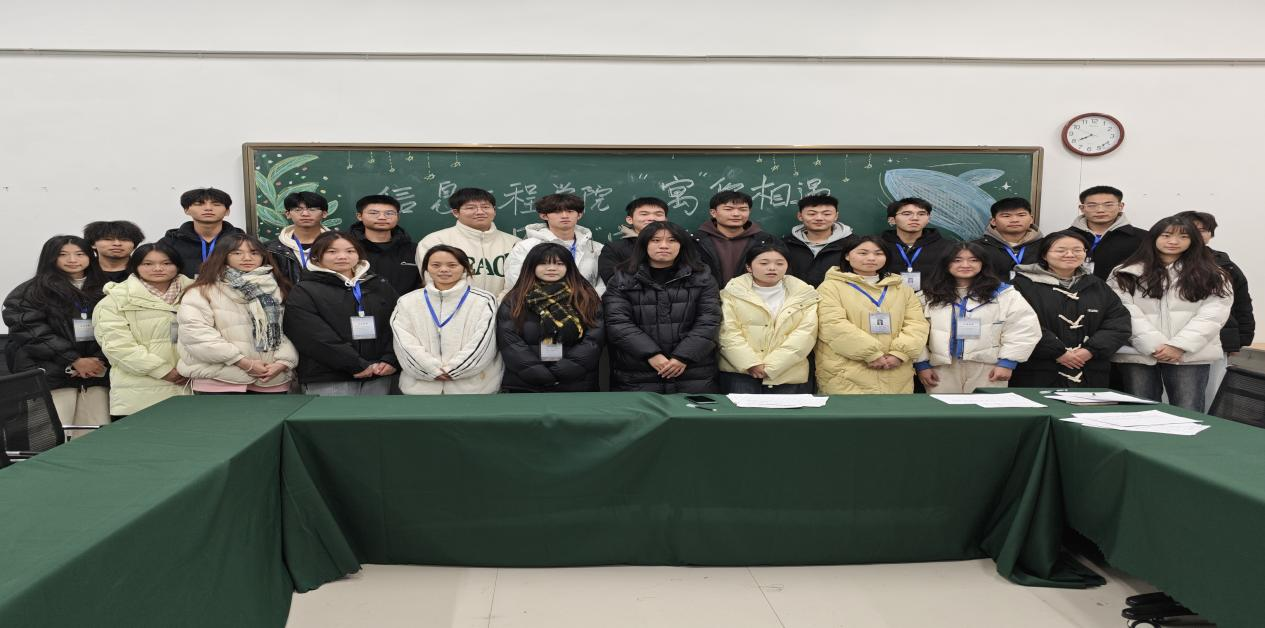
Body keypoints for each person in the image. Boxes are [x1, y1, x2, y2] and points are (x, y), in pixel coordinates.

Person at [1108, 217, 1232, 411]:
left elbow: (1213, 315)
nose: (1173, 241)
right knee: (1140, 410)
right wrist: (1153, 345)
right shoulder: (1125, 272)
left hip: (1189, 354)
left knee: (1187, 410)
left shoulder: (1212, 274)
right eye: (1166, 235)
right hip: (1138, 352)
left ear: (1193, 240)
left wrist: (1178, 346)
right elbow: (1123, 310)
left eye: (1183, 236)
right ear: (1153, 238)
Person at [2, 236, 110, 431]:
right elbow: (31, 331)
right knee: (53, 434)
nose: (72, 259)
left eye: (79, 254)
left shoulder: (107, 288)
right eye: (63, 254)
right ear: (50, 257)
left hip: (96, 375)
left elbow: (116, 328)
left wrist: (98, 360)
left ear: (90, 256)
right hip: (52, 376)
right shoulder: (31, 291)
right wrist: (74, 359)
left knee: (94, 433)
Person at [603, 221, 722, 393]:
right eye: (655, 240)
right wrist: (651, 354)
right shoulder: (622, 279)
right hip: (636, 371)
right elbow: (618, 322)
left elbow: (709, 321)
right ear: (644, 245)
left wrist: (683, 357)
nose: (664, 245)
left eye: (672, 240)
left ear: (682, 245)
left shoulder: (702, 278)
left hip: (693, 372)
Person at [176, 233, 298, 394]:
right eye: (237, 253)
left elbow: (289, 331)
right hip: (220, 381)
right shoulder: (201, 291)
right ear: (223, 256)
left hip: (271, 379)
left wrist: (283, 362)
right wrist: (243, 363)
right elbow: (195, 334)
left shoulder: (277, 288)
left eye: (254, 252)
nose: (247, 258)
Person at [913, 242, 1041, 394]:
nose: (965, 265)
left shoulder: (1004, 294)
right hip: (940, 368)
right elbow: (915, 332)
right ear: (946, 263)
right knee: (943, 408)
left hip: (989, 367)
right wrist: (921, 365)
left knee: (985, 408)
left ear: (983, 263)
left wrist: (1007, 363)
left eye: (973, 260)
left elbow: (1023, 328)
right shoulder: (928, 296)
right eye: (957, 260)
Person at [1009, 231, 1131, 388]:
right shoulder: (1021, 285)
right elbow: (1018, 323)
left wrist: (1091, 350)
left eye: (1077, 250)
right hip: (1037, 371)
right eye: (1061, 250)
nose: (1070, 254)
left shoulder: (1097, 285)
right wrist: (1057, 352)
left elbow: (1118, 323)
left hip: (1089, 371)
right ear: (1044, 255)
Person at [283, 232, 399, 396]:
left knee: (376, 414)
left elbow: (399, 325)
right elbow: (312, 336)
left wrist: (390, 359)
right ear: (316, 256)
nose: (342, 256)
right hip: (328, 378)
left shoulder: (379, 285)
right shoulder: (305, 290)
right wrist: (355, 364)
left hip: (379, 373)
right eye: (332, 251)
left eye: (350, 251)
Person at [815, 235, 929, 394]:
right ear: (847, 255)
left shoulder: (902, 288)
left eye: (878, 253)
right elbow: (832, 325)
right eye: (863, 253)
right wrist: (871, 354)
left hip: (896, 372)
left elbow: (917, 325)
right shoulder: (830, 287)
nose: (871, 258)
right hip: (846, 374)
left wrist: (899, 353)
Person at [92, 243, 193, 416]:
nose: (158, 268)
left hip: (195, 387)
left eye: (166, 263)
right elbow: (117, 347)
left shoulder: (199, 293)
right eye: (148, 264)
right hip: (140, 394)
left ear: (178, 265)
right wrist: (163, 371)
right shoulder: (114, 301)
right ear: (135, 266)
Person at [391, 245, 502, 394]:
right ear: (426, 268)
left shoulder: (484, 301)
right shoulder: (407, 301)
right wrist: (431, 370)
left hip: (474, 390)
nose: (443, 269)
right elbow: (404, 342)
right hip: (421, 391)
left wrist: (454, 370)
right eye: (436, 265)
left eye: (452, 265)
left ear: (464, 267)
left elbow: (484, 342)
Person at [497, 243, 606, 392]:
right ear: (531, 266)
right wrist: (538, 374)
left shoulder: (585, 297)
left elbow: (593, 340)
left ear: (569, 266)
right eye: (543, 263)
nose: (552, 268)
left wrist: (563, 371)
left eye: (559, 264)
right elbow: (510, 343)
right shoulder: (515, 299)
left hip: (576, 383)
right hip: (526, 385)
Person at [1174, 210, 1255, 408]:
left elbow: (1242, 304)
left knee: (1210, 394)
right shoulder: (1162, 262)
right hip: (1171, 340)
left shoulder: (1225, 265)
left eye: (1204, 230)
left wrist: (1240, 340)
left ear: (1211, 235)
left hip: (1217, 341)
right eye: (1191, 229)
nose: (1198, 234)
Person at [718, 243, 820, 393]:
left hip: (787, 372)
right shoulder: (731, 293)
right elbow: (727, 332)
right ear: (749, 267)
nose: (772, 268)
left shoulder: (804, 295)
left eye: (779, 263)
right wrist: (750, 363)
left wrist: (773, 367)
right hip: (741, 373)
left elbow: (806, 334)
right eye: (764, 263)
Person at [418, 187, 520, 295]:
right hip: (455, 305)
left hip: (505, 305)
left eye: (485, 207)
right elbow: (433, 284)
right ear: (456, 212)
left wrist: (499, 303)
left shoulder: (515, 243)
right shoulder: (435, 241)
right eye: (471, 208)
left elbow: (521, 283)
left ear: (494, 211)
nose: (480, 212)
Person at [504, 193, 604, 294]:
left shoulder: (596, 248)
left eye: (570, 211)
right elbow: (516, 281)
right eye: (557, 212)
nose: (565, 216)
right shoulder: (525, 247)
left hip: (588, 302)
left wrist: (589, 300)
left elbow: (603, 283)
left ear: (579, 215)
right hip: (539, 302)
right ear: (544, 216)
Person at [693, 190, 777, 287]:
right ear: (713, 212)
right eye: (728, 209)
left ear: (749, 212)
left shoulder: (766, 241)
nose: (736, 214)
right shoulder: (695, 241)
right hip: (707, 295)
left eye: (743, 209)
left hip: (750, 295)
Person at [159, 187, 246, 278]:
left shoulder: (242, 242)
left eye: (216, 204)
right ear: (186, 210)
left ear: (227, 211)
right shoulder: (169, 243)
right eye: (199, 204)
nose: (208, 208)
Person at [1067, 185, 1147, 280]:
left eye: (1108, 205)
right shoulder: (1064, 237)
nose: (1100, 210)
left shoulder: (1144, 238)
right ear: (1082, 208)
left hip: (1121, 289)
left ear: (1120, 206)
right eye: (1092, 205)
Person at [349, 194, 421, 296]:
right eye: (374, 213)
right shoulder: (347, 248)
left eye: (389, 213)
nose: (382, 217)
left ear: (397, 217)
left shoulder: (414, 250)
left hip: (406, 305)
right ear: (359, 216)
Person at [879, 197, 953, 291]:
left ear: (928, 219)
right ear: (892, 220)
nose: (915, 218)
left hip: (933, 298)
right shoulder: (877, 246)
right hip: (888, 298)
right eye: (906, 214)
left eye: (921, 214)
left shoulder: (948, 247)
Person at [783, 194, 853, 288]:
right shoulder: (785, 245)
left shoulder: (853, 245)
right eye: (812, 214)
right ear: (800, 216)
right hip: (795, 296)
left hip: (838, 296)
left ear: (836, 216)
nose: (819, 218)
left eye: (827, 214)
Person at [264, 191, 330, 284]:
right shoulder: (270, 249)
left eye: (312, 209)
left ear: (324, 214)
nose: (305, 214)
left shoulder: (338, 245)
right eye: (298, 210)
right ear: (288, 214)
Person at [598, 197, 669, 283]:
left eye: (658, 214)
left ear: (665, 220)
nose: (652, 218)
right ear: (630, 220)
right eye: (644, 214)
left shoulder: (678, 244)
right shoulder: (613, 249)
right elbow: (613, 281)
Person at [973, 197, 1043, 280]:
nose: (1014, 220)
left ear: (1031, 219)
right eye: (1006, 216)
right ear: (993, 221)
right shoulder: (976, 248)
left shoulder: (1047, 246)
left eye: (1021, 215)